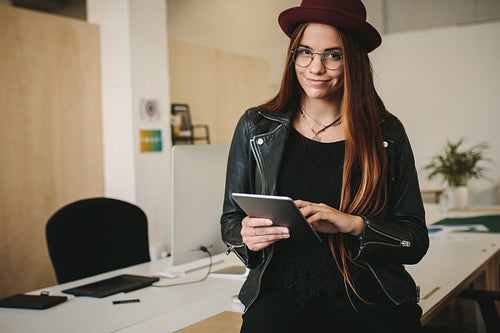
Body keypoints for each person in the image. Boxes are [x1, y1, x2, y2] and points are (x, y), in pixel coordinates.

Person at [220, 0, 429, 332]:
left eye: (333, 55)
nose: (315, 68)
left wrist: (353, 224)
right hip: (280, 292)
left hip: (368, 292)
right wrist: (246, 236)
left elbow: (414, 241)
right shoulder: (255, 126)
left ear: (353, 62)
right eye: (305, 52)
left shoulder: (386, 133)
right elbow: (231, 222)